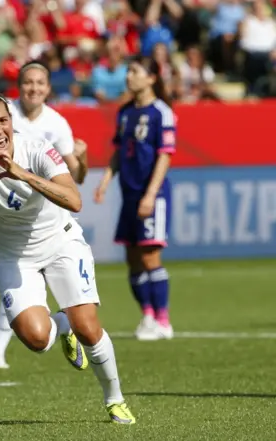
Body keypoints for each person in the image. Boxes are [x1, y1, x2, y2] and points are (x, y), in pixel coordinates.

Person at [0, 92, 136, 424]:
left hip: (60, 243)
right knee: (38, 340)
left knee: (88, 327)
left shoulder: (38, 149)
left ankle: (114, 399)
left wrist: (22, 174)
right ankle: (61, 323)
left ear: (11, 121)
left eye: (3, 120)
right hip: (11, 258)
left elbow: (74, 199)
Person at [0, 61, 89, 370]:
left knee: (12, 279)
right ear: (19, 87)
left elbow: (74, 175)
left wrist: (83, 158)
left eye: (40, 83)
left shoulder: (57, 124)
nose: (34, 88)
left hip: (33, 219)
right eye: (28, 82)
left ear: (48, 88)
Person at [94, 55, 175, 341]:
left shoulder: (161, 112)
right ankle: (148, 317)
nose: (129, 76)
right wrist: (105, 181)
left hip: (152, 194)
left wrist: (151, 194)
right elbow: (119, 151)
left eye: (135, 71)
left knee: (150, 255)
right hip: (128, 194)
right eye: (127, 71)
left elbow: (165, 155)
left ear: (152, 78)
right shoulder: (125, 112)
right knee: (132, 257)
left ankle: (163, 320)